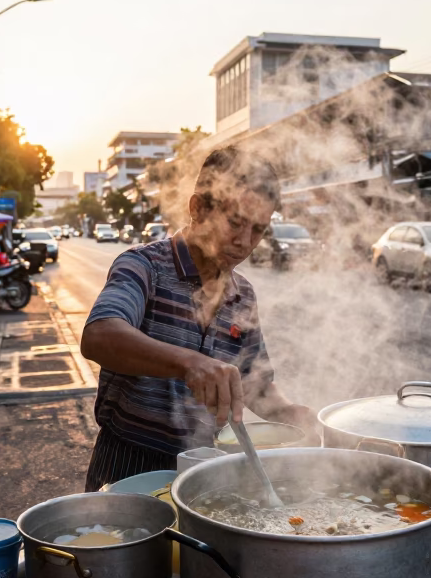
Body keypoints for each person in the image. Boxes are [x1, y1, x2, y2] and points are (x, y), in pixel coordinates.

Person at [81, 145, 317, 491]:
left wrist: (292, 415)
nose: (244, 242)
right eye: (235, 223)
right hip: (127, 470)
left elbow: (253, 384)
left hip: (207, 472)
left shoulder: (243, 295)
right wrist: (189, 363)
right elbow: (99, 335)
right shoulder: (143, 267)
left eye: (258, 230)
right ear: (197, 208)